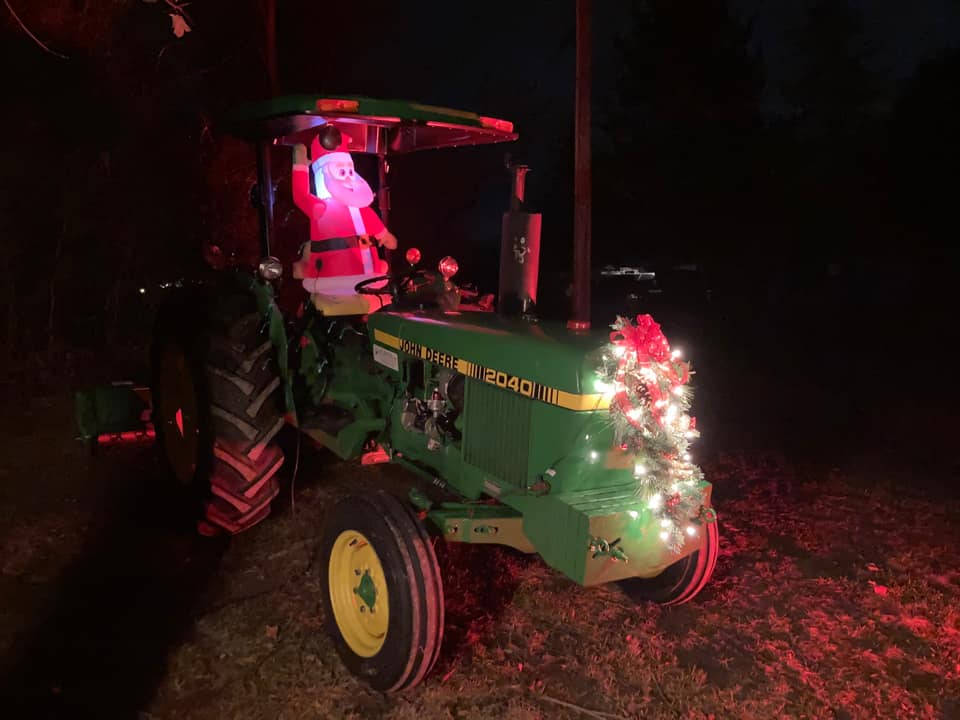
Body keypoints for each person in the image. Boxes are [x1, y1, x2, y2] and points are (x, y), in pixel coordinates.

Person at [291, 125, 397, 312]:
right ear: (323, 175)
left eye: (350, 171)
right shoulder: (321, 209)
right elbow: (300, 195)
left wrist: (384, 236)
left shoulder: (363, 209)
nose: (348, 178)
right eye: (341, 172)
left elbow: (381, 235)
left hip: (371, 282)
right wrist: (300, 163)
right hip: (334, 281)